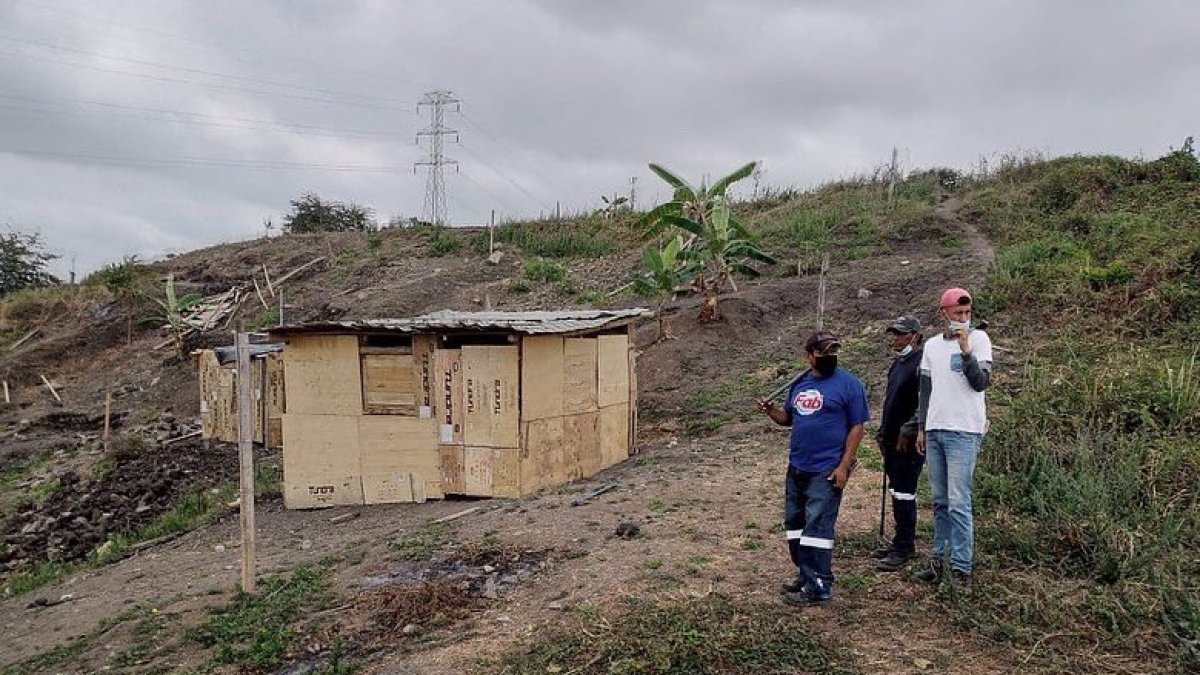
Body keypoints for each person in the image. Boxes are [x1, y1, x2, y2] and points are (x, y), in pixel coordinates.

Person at [758, 330, 870, 604]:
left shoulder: (850, 385)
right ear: (810, 356)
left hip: (827, 470)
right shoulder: (799, 384)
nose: (829, 357)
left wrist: (844, 466)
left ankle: (819, 587)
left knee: (817, 527)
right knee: (795, 524)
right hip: (798, 467)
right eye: (823, 352)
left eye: (833, 352)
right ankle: (806, 574)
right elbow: (789, 419)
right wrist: (772, 411)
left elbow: (857, 428)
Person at [915, 288, 993, 587]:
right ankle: (938, 559)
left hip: (964, 431)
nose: (963, 319)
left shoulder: (979, 340)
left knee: (959, 500)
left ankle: (961, 567)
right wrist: (923, 426)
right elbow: (925, 390)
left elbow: (980, 383)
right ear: (943, 313)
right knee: (939, 501)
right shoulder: (932, 347)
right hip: (936, 429)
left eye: (967, 314)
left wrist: (965, 351)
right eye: (957, 314)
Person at [873, 315, 925, 572]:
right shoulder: (898, 364)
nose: (895, 338)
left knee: (905, 491)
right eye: (894, 333)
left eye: (900, 333)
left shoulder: (922, 363)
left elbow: (925, 400)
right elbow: (890, 402)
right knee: (897, 490)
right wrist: (883, 432)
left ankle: (905, 546)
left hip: (909, 440)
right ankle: (899, 541)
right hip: (892, 438)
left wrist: (912, 427)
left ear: (914, 336)